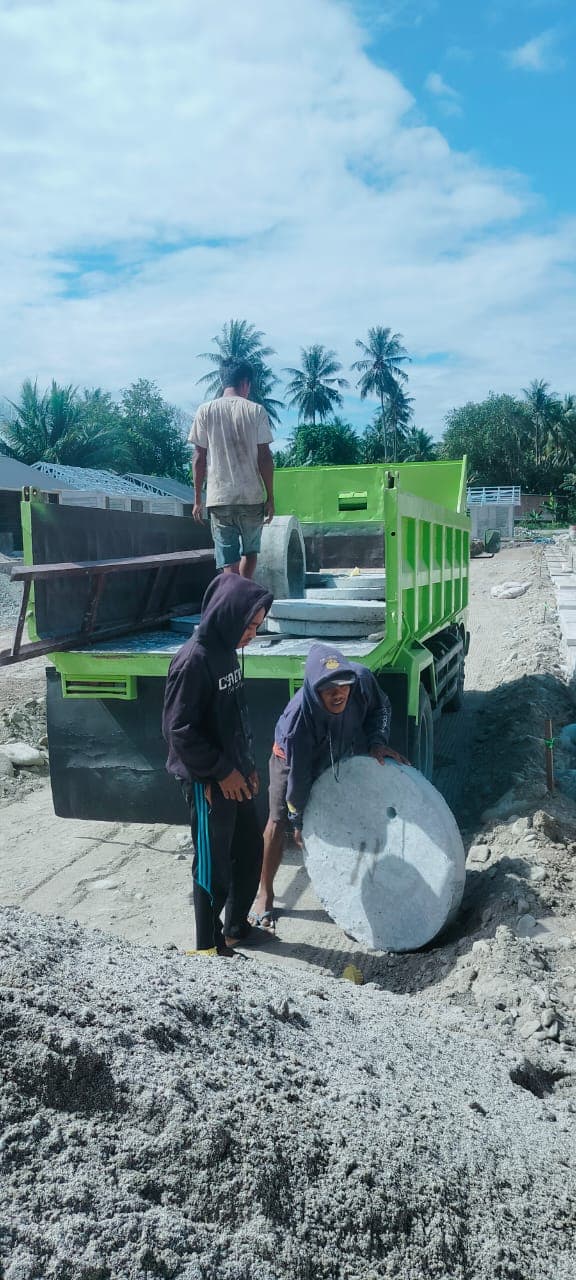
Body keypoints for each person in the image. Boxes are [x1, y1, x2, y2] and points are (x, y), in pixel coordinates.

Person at [249, 643, 404, 931]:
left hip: (340, 745)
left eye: (343, 685)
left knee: (349, 815)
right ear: (313, 690)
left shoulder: (362, 680)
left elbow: (381, 707)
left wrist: (377, 742)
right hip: (292, 759)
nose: (339, 693)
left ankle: (359, 890)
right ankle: (265, 893)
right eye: (328, 688)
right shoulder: (298, 722)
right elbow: (299, 780)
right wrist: (299, 820)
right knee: (278, 820)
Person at [163, 574, 273, 956]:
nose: (253, 635)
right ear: (228, 616)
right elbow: (179, 731)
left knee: (249, 849)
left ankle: (236, 927)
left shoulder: (227, 650)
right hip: (207, 780)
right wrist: (222, 772)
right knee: (214, 865)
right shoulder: (193, 661)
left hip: (235, 774)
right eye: (249, 626)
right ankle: (208, 947)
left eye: (258, 627)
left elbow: (235, 715)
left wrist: (247, 765)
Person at [190, 359, 275, 579]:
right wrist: (270, 497)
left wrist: (198, 499)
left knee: (228, 561)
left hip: (220, 499)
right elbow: (265, 458)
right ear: (245, 383)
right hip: (251, 497)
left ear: (222, 380)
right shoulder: (256, 410)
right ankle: (245, 601)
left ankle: (233, 602)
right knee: (250, 552)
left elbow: (199, 458)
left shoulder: (205, 411)